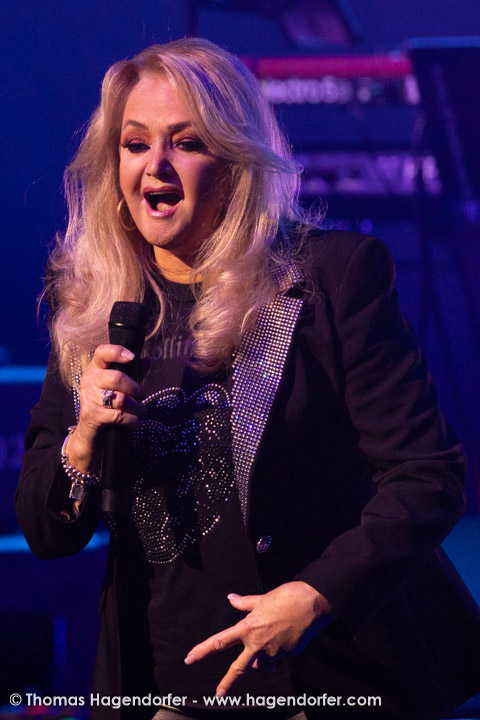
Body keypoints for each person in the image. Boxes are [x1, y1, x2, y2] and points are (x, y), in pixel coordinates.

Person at [16, 38, 480, 720]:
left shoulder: (329, 278)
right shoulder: (95, 303)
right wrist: (82, 441)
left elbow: (427, 477)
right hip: (161, 683)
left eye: (186, 143)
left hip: (319, 676)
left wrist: (317, 595)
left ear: (236, 162)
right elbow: (46, 534)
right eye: (135, 144)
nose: (155, 166)